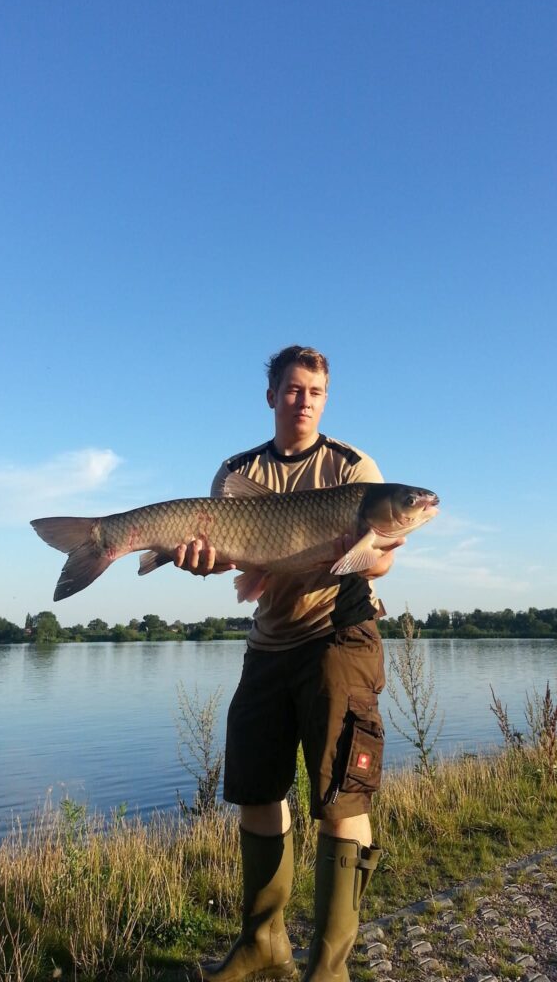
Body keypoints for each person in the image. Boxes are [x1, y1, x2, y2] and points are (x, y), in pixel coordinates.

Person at [175, 345, 402, 982]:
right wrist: (199, 557)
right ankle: (264, 941)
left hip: (339, 635)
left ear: (325, 400)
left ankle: (329, 966)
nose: (304, 401)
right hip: (269, 641)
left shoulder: (355, 469)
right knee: (255, 789)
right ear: (272, 396)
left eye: (316, 392)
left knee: (339, 797)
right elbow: (235, 560)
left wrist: (357, 552)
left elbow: (382, 559)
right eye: (293, 390)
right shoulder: (237, 472)